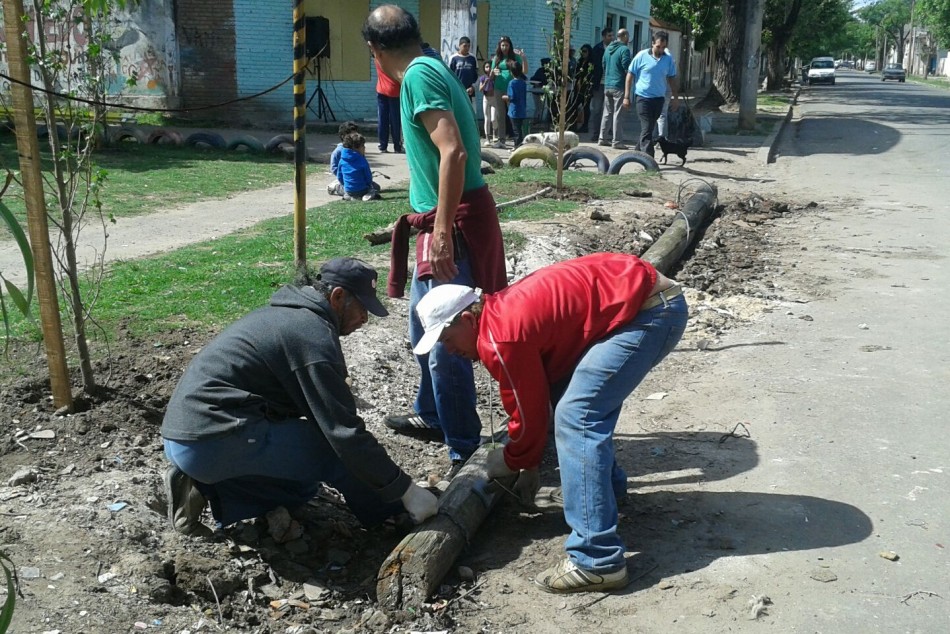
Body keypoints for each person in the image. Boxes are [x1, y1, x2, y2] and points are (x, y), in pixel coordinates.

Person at [412, 253, 688, 593]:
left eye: (446, 339)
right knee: (568, 397)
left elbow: (527, 411)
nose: (448, 350)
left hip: (649, 312)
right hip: (642, 302)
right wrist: (527, 461)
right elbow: (537, 395)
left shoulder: (501, 336)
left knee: (577, 415)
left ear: (467, 319)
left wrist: (513, 459)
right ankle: (608, 495)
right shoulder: (499, 314)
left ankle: (597, 560)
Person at [161, 258, 439, 537]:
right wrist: (405, 492)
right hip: (210, 440)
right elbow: (344, 435)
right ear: (337, 296)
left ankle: (204, 487)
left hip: (184, 437)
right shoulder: (312, 336)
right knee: (333, 454)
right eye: (362, 308)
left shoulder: (288, 315)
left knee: (302, 487)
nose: (365, 318)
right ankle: (391, 518)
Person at [363, 5, 508, 478]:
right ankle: (431, 412)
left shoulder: (419, 77)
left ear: (375, 50)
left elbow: (454, 152)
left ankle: (463, 450)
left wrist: (442, 231)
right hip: (447, 217)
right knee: (420, 325)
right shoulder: (431, 66)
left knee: (446, 339)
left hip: (454, 224)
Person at [624, 30, 680, 158]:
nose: (661, 50)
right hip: (643, 98)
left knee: (649, 128)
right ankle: (649, 159)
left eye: (663, 47)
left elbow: (672, 78)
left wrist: (675, 97)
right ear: (652, 43)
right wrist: (626, 96)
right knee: (647, 127)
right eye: (658, 46)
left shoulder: (668, 59)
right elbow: (630, 75)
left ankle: (636, 153)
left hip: (659, 99)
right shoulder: (641, 56)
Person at [490, 36, 529, 148]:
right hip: (499, 88)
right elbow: (491, 77)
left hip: (512, 90)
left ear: (510, 46)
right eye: (502, 45)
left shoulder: (515, 57)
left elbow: (524, 71)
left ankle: (517, 140)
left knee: (513, 115)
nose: (504, 47)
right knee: (500, 115)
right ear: (499, 46)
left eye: (506, 45)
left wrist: (523, 58)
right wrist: (493, 72)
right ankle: (501, 140)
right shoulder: (497, 58)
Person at [598, 28, 632, 149]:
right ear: (625, 36)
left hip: (607, 84)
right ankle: (617, 141)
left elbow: (603, 64)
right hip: (619, 85)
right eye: (628, 36)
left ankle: (602, 138)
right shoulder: (624, 49)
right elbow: (627, 66)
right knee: (618, 114)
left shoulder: (608, 49)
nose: (628, 39)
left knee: (607, 112)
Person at [338, 132, 381, 201]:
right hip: (362, 189)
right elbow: (368, 177)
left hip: (348, 190)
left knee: (342, 189)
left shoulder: (342, 160)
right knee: (376, 187)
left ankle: (348, 196)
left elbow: (339, 176)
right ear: (356, 148)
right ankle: (368, 195)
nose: (364, 148)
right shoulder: (361, 159)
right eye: (362, 146)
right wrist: (369, 184)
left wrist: (345, 185)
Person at [588, 27, 614, 142]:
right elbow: (592, 66)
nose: (611, 38)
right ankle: (596, 133)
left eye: (612, 35)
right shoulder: (597, 49)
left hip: (611, 83)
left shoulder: (615, 49)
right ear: (603, 37)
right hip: (599, 83)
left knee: (609, 109)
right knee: (597, 109)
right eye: (609, 36)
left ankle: (607, 133)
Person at [374, 58, 403, 153]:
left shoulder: (378, 58)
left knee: (382, 119)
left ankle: (383, 146)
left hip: (381, 89)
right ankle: (397, 146)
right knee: (395, 120)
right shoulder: (394, 59)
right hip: (394, 90)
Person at [327, 121, 359, 196]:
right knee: (349, 191)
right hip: (345, 178)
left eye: (355, 135)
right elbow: (334, 167)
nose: (354, 138)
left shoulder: (358, 148)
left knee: (374, 187)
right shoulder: (338, 151)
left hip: (356, 177)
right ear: (342, 136)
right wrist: (343, 175)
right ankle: (335, 186)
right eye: (351, 135)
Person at [504, 60, 528, 146]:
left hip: (514, 110)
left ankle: (517, 146)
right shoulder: (523, 82)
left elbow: (512, 97)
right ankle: (519, 145)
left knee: (516, 130)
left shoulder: (512, 83)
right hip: (522, 109)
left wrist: (504, 97)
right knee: (519, 129)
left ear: (511, 72)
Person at [449, 36, 479, 104]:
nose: (467, 48)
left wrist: (473, 87)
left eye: (469, 46)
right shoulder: (453, 58)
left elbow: (476, 75)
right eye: (465, 46)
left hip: (470, 92)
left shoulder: (473, 58)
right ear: (459, 45)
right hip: (457, 91)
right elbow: (449, 76)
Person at [572, 44, 595, 133]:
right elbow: (577, 73)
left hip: (586, 88)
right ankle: (573, 124)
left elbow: (591, 74)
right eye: (582, 51)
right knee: (574, 105)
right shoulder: (580, 61)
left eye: (585, 51)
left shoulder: (591, 62)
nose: (583, 53)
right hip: (578, 87)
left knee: (586, 107)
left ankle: (585, 126)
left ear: (589, 52)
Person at [478, 61, 496, 143]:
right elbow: (480, 89)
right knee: (487, 119)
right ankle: (487, 138)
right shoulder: (483, 77)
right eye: (486, 67)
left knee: (493, 118)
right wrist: (485, 82)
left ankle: (495, 134)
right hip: (486, 98)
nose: (488, 68)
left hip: (494, 98)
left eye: (489, 66)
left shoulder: (496, 77)